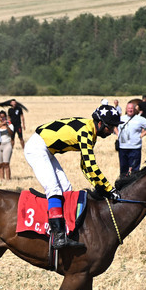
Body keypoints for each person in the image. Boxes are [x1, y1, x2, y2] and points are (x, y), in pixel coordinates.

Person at [24, 105, 121, 249]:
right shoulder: (86, 132)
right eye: (110, 127)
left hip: (46, 149)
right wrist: (109, 188)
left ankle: (66, 230)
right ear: (100, 123)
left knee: (66, 189)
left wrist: (100, 186)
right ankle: (57, 236)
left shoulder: (90, 131)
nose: (112, 131)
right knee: (54, 189)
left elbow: (84, 167)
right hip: (37, 148)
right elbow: (91, 165)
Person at [117, 101, 146, 176]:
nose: (130, 110)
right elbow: (113, 125)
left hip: (135, 148)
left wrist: (143, 134)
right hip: (123, 147)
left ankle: (133, 185)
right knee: (123, 169)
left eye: (131, 108)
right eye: (128, 108)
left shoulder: (139, 119)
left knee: (135, 170)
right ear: (126, 109)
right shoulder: (121, 118)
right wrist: (117, 133)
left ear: (134, 109)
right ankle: (123, 185)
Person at [0, 110, 14, 181]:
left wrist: (6, 126)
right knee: (0, 164)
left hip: (7, 144)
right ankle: (2, 178)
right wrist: (0, 125)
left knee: (6, 163)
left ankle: (8, 179)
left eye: (4, 117)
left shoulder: (10, 125)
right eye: (1, 117)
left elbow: (11, 133)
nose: (2, 119)